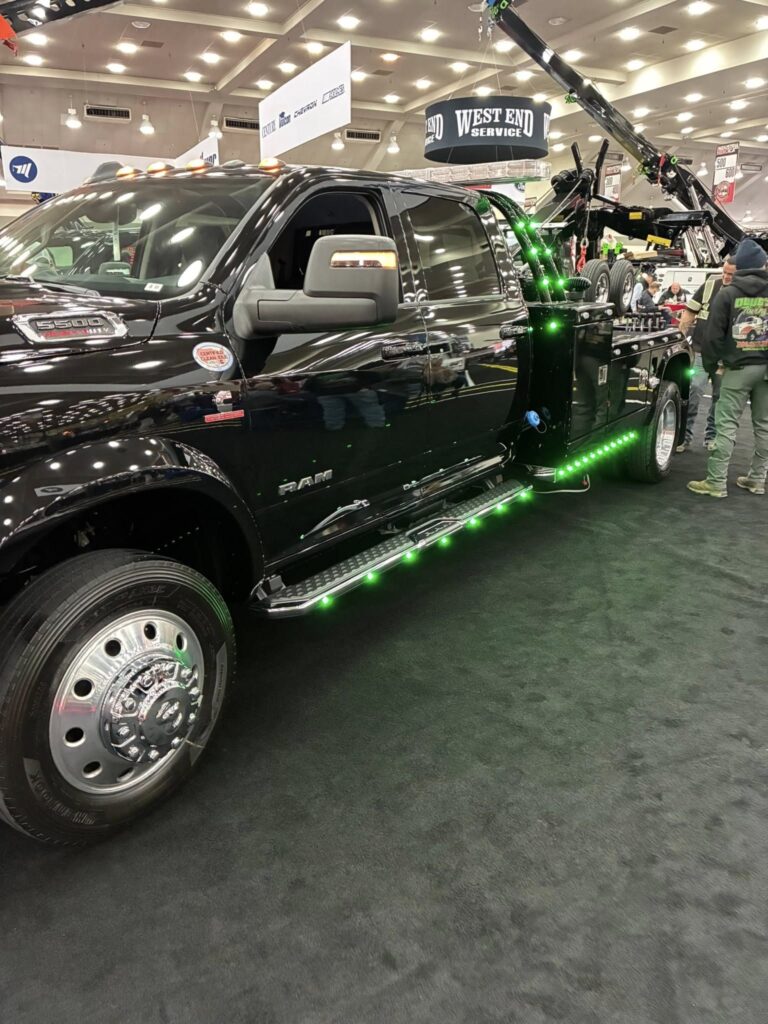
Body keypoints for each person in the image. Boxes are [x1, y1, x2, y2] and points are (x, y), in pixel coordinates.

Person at [687, 238, 768, 498]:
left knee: (726, 425)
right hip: (765, 370)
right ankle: (756, 480)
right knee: (764, 426)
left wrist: (713, 366)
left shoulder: (727, 293)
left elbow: (712, 337)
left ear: (739, 265)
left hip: (736, 369)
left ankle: (716, 482)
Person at [676, 258, 735, 453]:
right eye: (724, 272)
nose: (726, 277)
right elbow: (690, 312)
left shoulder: (742, 293)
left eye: (731, 274)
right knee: (692, 392)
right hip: (701, 353)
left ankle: (712, 438)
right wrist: (680, 337)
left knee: (719, 399)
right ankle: (683, 437)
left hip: (725, 358)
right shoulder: (710, 285)